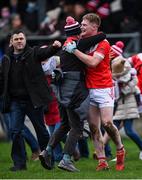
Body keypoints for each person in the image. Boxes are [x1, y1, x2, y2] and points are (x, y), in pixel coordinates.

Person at [39, 16, 106, 172]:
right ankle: (66, 160)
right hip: (74, 89)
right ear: (76, 32)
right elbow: (102, 36)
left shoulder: (65, 44)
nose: (82, 29)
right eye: (80, 27)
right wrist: (82, 36)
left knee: (64, 124)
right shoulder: (78, 43)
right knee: (76, 127)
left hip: (62, 89)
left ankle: (47, 151)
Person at [64, 13, 125, 171]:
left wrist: (74, 51)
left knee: (107, 123)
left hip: (104, 88)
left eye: (84, 24)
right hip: (89, 89)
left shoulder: (103, 43)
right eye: (81, 24)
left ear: (94, 27)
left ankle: (120, 149)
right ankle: (102, 161)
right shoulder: (83, 41)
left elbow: (93, 63)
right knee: (93, 127)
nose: (81, 27)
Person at [0, 29, 61, 171]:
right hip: (15, 102)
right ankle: (20, 164)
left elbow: (45, 53)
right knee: (15, 132)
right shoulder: (6, 59)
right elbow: (2, 79)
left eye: (21, 38)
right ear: (11, 42)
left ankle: (48, 159)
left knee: (41, 131)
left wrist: (54, 47)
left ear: (25, 40)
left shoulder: (33, 53)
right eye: (16, 39)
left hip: (33, 101)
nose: (19, 41)